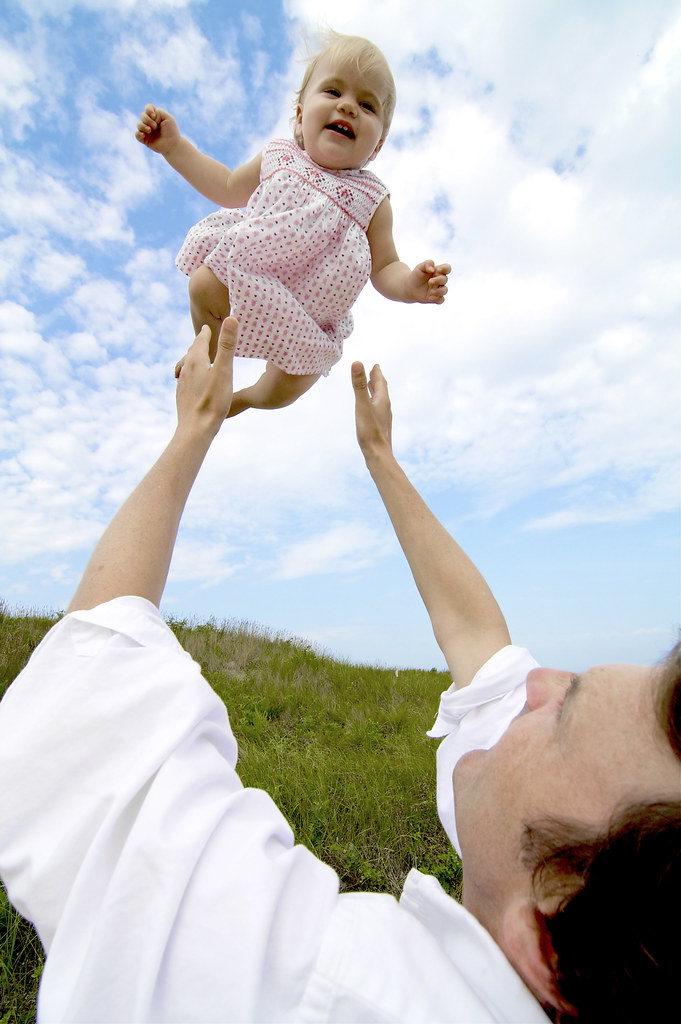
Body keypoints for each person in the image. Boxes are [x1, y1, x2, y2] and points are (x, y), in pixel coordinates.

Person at [0, 320, 677, 1022]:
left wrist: (193, 427)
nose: (536, 682)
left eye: (560, 717)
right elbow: (480, 643)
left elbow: (92, 687)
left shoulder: (325, 995)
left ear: (546, 948)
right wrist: (380, 456)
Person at [135, 31, 450, 416]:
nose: (348, 107)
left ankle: (245, 399)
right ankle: (213, 361)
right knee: (203, 284)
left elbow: (385, 267)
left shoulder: (372, 199)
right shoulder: (280, 157)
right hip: (251, 276)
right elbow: (226, 185)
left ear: (378, 144)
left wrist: (411, 286)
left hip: (308, 319)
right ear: (300, 117)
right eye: (333, 93)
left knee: (288, 387)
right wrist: (175, 148)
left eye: (367, 105)